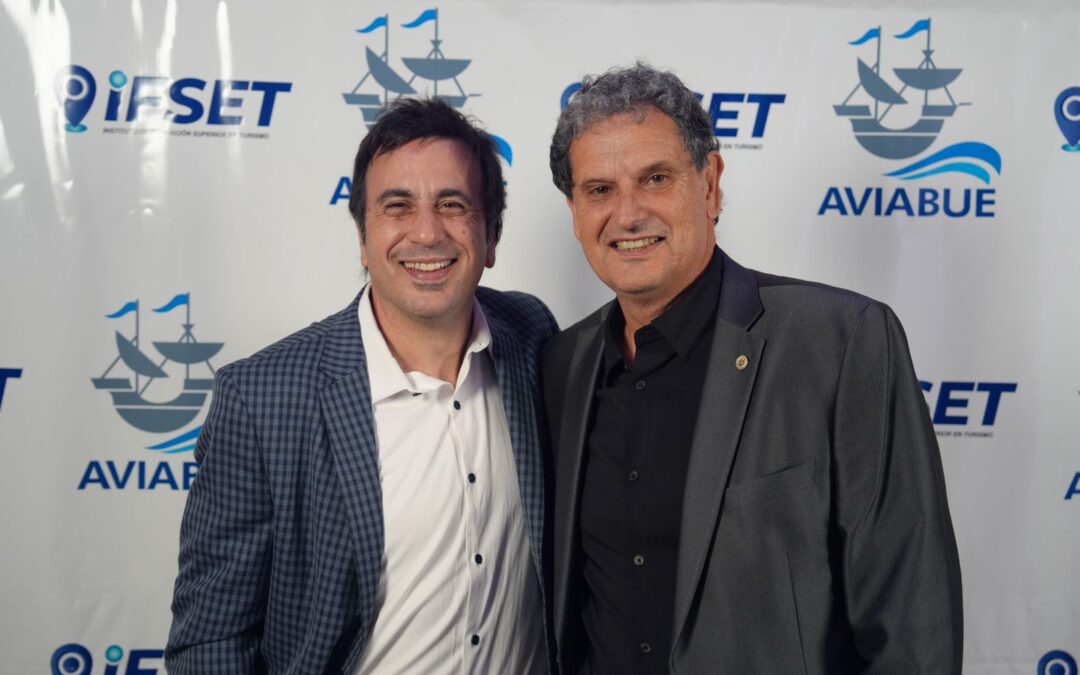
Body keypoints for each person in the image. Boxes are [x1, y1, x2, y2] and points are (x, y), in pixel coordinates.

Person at [543, 63, 962, 674]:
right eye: (599, 190)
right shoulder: (563, 365)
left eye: (655, 178)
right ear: (575, 212)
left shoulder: (840, 342)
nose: (627, 214)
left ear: (710, 185)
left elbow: (910, 620)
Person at [166, 98, 557, 674]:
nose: (426, 232)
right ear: (362, 236)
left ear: (491, 235)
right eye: (397, 206)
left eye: (452, 205)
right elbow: (211, 641)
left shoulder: (532, 337)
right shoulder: (263, 399)